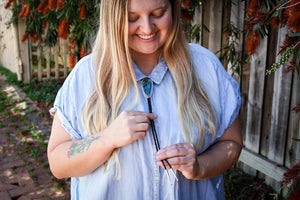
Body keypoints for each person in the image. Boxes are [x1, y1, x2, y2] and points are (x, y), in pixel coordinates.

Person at [47, 0, 243, 199]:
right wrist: (107, 139)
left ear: (173, 9)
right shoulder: (87, 76)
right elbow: (57, 163)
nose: (147, 28)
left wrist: (200, 166)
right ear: (112, 18)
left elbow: (232, 143)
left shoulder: (205, 67)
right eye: (132, 18)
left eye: (158, 13)